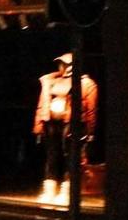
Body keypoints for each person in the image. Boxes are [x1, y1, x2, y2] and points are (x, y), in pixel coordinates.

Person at [33, 51, 98, 205]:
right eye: (60, 64)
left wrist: (90, 130)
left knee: (71, 158)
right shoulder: (50, 81)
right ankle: (50, 190)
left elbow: (91, 110)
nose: (60, 67)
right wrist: (38, 126)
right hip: (51, 123)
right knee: (51, 156)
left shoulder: (86, 84)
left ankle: (67, 191)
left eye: (63, 64)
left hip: (72, 124)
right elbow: (42, 105)